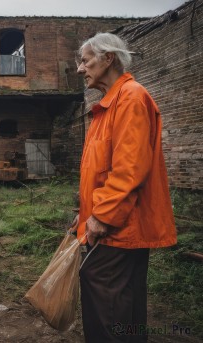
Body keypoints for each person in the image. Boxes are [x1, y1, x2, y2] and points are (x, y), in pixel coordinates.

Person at [72, 32, 177, 342]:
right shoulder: (106, 106)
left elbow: (129, 169)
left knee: (109, 303)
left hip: (119, 227)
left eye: (86, 60)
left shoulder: (131, 97)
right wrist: (83, 214)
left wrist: (102, 217)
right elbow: (100, 172)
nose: (80, 69)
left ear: (109, 59)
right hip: (112, 223)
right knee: (120, 302)